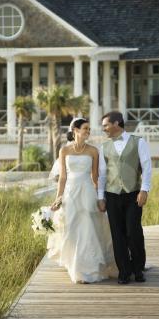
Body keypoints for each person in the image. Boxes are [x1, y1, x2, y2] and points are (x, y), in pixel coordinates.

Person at [47, 117, 116, 284]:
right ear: (75, 131)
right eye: (85, 128)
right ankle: (75, 267)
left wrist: (101, 197)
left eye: (89, 129)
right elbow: (63, 177)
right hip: (70, 193)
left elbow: (95, 177)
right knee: (72, 229)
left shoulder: (93, 151)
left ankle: (87, 270)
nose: (88, 131)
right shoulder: (64, 151)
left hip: (87, 192)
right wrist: (58, 198)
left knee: (87, 229)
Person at [98, 111, 152, 284]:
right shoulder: (104, 147)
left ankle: (138, 269)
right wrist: (101, 197)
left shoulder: (139, 142)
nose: (103, 128)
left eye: (105, 125)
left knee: (133, 231)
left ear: (116, 123)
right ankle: (124, 272)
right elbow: (102, 175)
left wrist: (144, 190)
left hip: (133, 194)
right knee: (117, 235)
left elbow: (147, 167)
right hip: (112, 195)